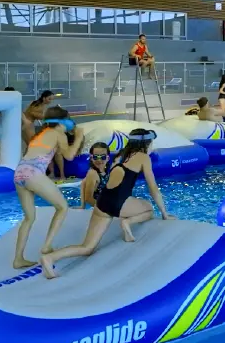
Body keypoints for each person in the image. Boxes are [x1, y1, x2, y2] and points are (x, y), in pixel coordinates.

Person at [40, 129, 173, 279]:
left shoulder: (119, 155)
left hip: (102, 203)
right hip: (119, 202)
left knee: (87, 247)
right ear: (145, 143)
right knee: (148, 208)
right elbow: (153, 188)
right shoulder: (143, 157)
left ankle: (50, 258)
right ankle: (128, 223)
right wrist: (164, 213)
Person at [12, 106, 85, 269]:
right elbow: (69, 156)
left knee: (29, 218)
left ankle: (18, 259)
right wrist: (79, 136)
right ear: (64, 121)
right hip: (34, 173)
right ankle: (47, 246)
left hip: (19, 172)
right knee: (62, 207)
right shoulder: (59, 134)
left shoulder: (42, 134)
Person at [80, 142, 110, 209]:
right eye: (96, 157)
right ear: (91, 158)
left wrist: (82, 206)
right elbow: (88, 199)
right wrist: (107, 209)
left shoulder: (103, 172)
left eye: (103, 157)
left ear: (108, 158)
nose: (99, 160)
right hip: (96, 209)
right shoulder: (92, 173)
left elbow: (83, 184)